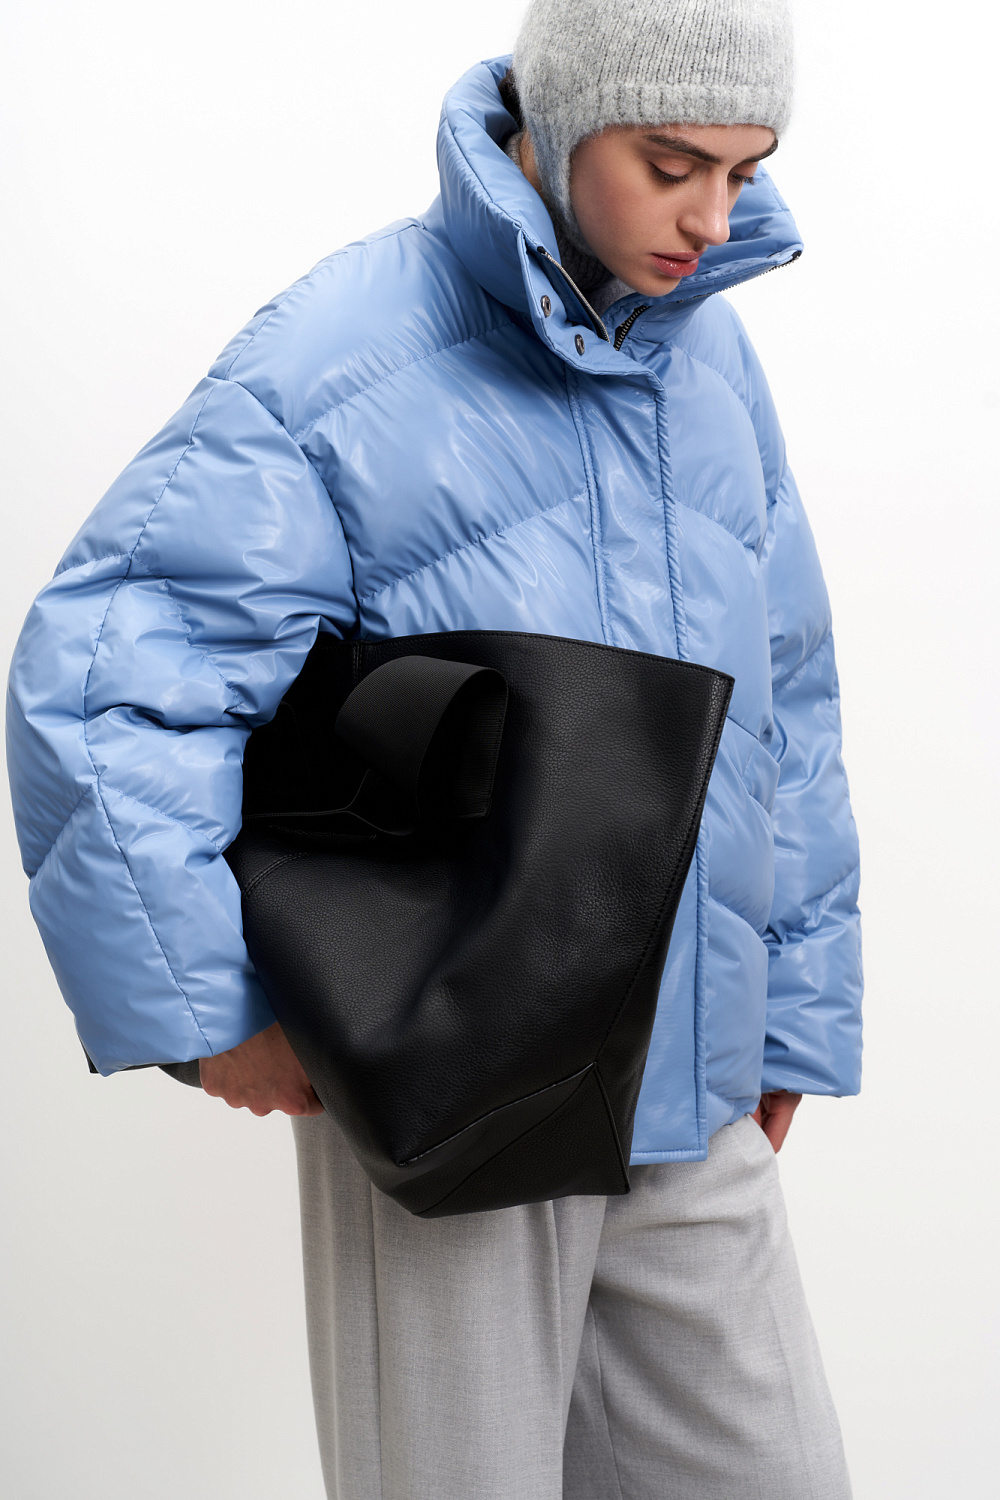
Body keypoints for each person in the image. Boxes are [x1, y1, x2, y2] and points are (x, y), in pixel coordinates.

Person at [6, 0, 863, 1494]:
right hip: (452, 1090)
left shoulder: (715, 367)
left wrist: (794, 1004)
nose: (713, 220)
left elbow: (789, 694)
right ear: (562, 117)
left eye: (746, 171)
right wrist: (204, 1005)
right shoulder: (343, 355)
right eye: (672, 165)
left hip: (693, 1085)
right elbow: (105, 674)